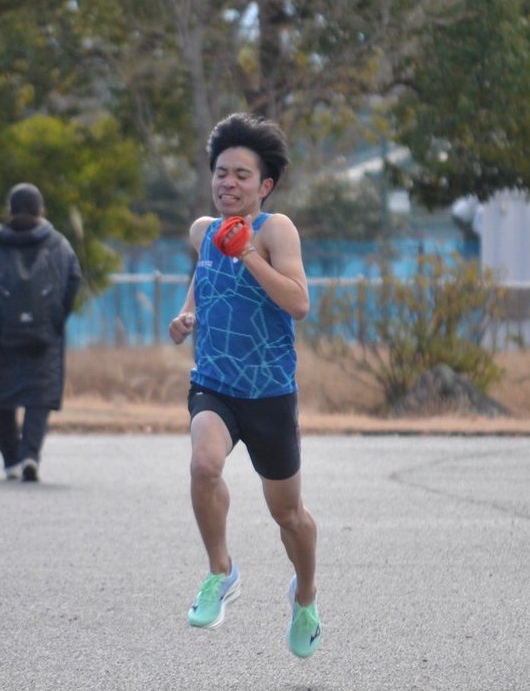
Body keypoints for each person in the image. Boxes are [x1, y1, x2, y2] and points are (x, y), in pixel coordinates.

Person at [168, 113, 323, 658]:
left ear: (265, 185)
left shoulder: (275, 231)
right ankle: (221, 571)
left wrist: (250, 253)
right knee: (203, 465)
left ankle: (304, 596)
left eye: (240, 174)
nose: (227, 183)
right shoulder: (202, 231)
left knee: (290, 516)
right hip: (214, 383)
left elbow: (299, 303)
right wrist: (186, 315)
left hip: (270, 393)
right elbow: (204, 278)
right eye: (220, 172)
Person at [0, 182, 82, 481]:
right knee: (39, 398)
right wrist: (56, 317)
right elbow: (73, 280)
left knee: (3, 398)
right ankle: (29, 456)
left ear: (10, 210)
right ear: (41, 210)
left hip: (3, 333)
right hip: (45, 334)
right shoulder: (59, 244)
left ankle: (11, 458)